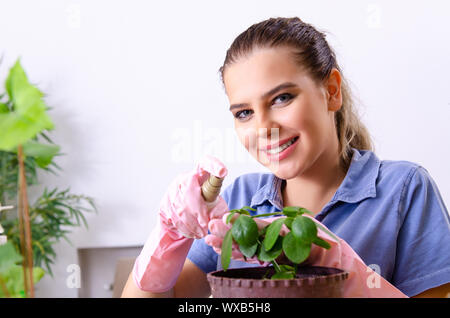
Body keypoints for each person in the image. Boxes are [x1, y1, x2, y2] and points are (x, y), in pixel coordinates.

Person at [121, 17, 450, 298]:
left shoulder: (404, 190)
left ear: (331, 91)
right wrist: (169, 235)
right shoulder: (238, 201)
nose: (264, 127)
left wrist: (352, 276)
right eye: (245, 112)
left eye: (281, 98)